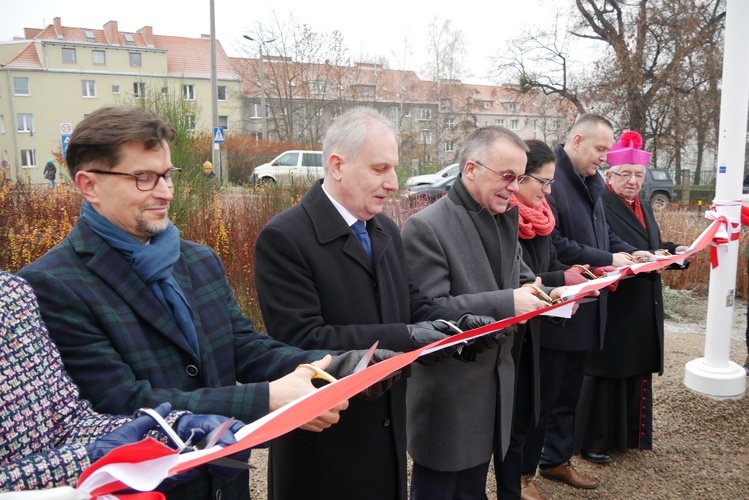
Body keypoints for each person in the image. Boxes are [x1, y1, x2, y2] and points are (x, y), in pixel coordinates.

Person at [18, 106, 395, 500]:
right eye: (143, 178)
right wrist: (267, 398)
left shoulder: (198, 260)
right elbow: (121, 402)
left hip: (225, 483)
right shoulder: (51, 285)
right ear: (88, 185)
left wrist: (337, 366)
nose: (165, 191)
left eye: (166, 174)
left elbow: (242, 346)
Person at [253, 106, 488, 500]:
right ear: (337, 165)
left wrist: (462, 325)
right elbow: (302, 339)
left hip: (386, 424)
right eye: (380, 169)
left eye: (394, 169)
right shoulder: (285, 238)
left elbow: (410, 302)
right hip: (326, 441)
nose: (394, 183)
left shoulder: (383, 229)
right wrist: (408, 336)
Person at [401, 127, 568, 500]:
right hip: (449, 395)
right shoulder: (425, 227)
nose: (515, 187)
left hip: (494, 388)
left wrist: (554, 292)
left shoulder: (503, 218)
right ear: (471, 169)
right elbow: (428, 313)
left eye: (520, 177)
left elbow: (522, 278)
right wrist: (508, 304)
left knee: (472, 489)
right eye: (507, 176)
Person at [0, 271, 247, 492]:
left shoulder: (10, 294)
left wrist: (170, 430)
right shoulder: (51, 280)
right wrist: (86, 461)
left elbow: (66, 422)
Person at [521, 114, 654, 492]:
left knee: (568, 395)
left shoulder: (590, 182)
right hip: (557, 309)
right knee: (540, 401)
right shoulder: (553, 182)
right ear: (576, 141)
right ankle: (521, 474)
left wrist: (634, 252)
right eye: (600, 149)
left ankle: (556, 460)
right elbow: (557, 243)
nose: (604, 158)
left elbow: (604, 234)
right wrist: (608, 260)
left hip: (588, 307)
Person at [573, 130, 692, 460]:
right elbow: (608, 247)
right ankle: (594, 442)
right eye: (625, 174)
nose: (633, 181)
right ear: (609, 175)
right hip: (615, 303)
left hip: (642, 303)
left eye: (639, 175)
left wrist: (674, 252)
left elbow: (649, 245)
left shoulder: (642, 205)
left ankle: (625, 438)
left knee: (633, 369)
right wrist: (642, 256)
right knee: (606, 373)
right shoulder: (600, 204)